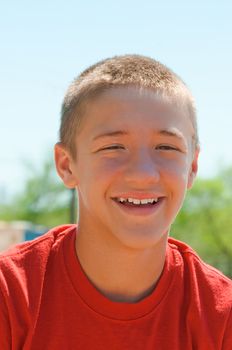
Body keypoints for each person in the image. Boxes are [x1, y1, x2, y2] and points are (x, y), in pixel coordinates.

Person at [0, 55, 231, 350]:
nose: (143, 174)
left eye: (166, 147)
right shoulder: (11, 296)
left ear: (193, 167)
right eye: (113, 147)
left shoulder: (220, 317)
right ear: (67, 165)